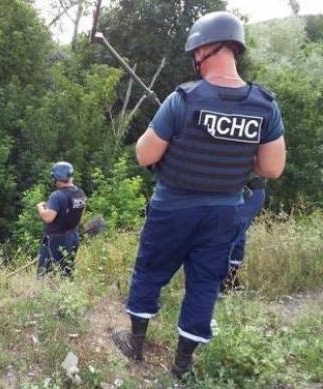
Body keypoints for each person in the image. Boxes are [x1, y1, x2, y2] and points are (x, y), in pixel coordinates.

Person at [112, 11, 286, 378]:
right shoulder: (265, 106)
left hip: (173, 207)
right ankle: (181, 366)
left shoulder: (183, 100)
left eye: (196, 52)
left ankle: (135, 343)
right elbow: (271, 168)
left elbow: (145, 154)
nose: (195, 59)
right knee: (205, 283)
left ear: (206, 48)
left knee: (150, 271)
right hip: (224, 212)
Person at [36, 161, 87, 277]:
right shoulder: (80, 193)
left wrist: (40, 208)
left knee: (46, 273)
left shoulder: (57, 196)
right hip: (73, 237)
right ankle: (66, 293)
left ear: (56, 178)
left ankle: (45, 294)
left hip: (55, 239)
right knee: (66, 271)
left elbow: (48, 218)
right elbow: (81, 215)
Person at [221, 175, 267, 293]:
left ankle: (229, 282)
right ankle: (227, 283)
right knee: (236, 236)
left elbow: (271, 169)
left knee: (236, 233)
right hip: (225, 189)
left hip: (251, 188)